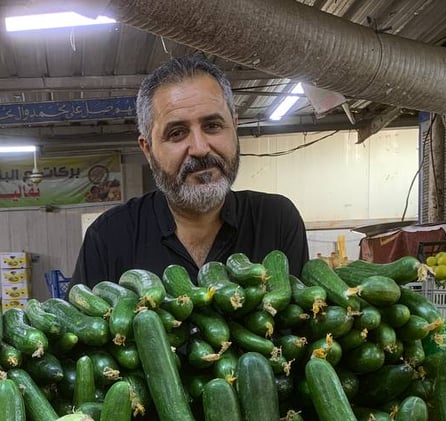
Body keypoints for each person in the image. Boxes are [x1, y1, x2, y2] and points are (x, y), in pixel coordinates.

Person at [72, 56, 309, 287]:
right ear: (148, 149)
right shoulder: (108, 238)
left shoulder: (276, 222)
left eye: (213, 126)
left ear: (234, 129)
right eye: (176, 133)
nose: (200, 148)